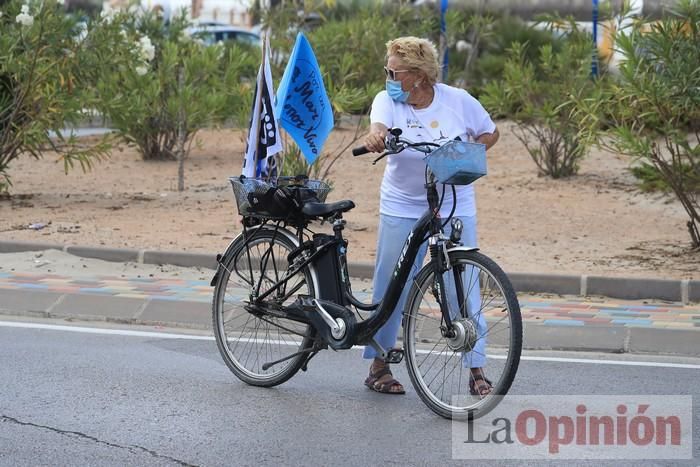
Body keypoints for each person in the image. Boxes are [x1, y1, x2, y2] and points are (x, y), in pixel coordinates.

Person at [361, 36, 500, 395]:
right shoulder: (388, 101)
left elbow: (490, 132)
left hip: (454, 200)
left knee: (463, 284)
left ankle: (476, 369)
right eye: (386, 70)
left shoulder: (458, 101)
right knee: (392, 284)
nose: (388, 77)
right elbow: (377, 127)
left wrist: (465, 152)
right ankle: (379, 366)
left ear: (419, 76)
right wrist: (377, 137)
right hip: (402, 203)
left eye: (394, 71)